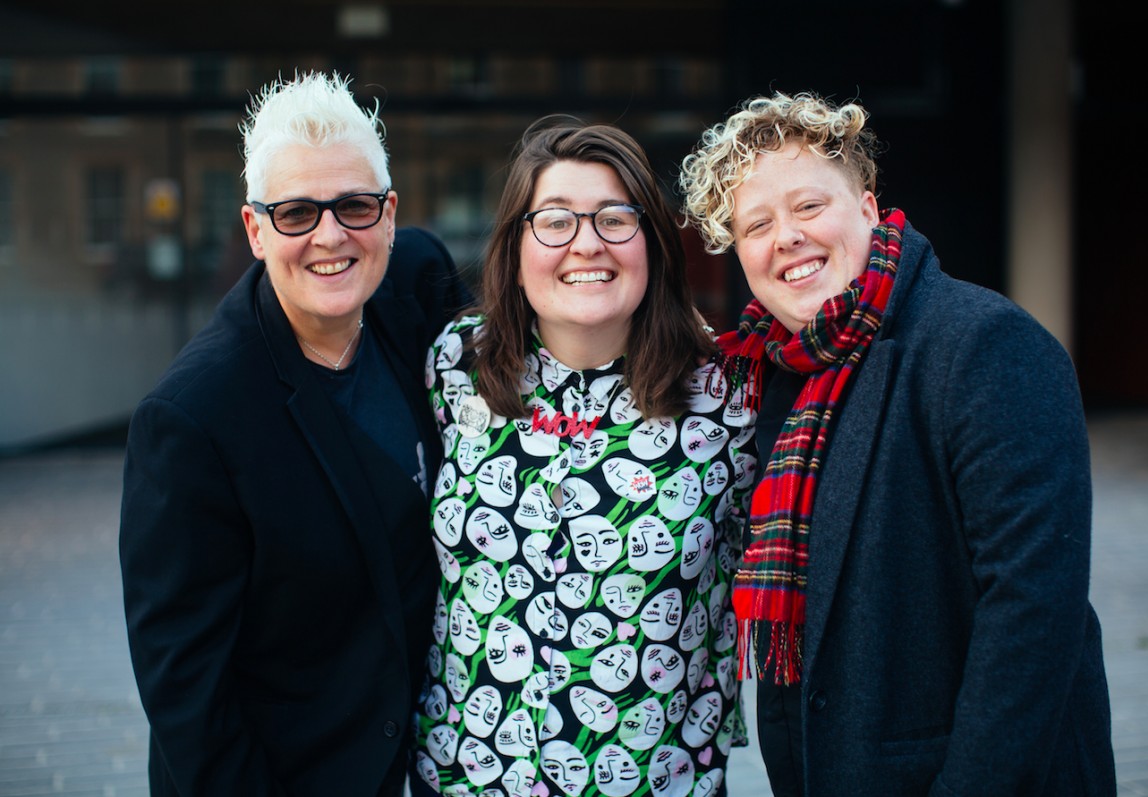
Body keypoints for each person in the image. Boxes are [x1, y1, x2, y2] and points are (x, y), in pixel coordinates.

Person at [677, 92, 1116, 796]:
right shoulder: (771, 377)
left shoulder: (981, 343)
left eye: (809, 206)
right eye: (756, 223)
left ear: (871, 209)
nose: (785, 235)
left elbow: (1032, 614)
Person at [119, 71, 469, 796]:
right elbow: (188, 689)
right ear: (254, 229)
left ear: (389, 213)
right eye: (297, 213)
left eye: (353, 205)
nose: (331, 234)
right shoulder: (191, 419)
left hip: (423, 754)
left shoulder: (416, 285)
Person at [413, 117, 756, 797]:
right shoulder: (455, 365)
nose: (587, 244)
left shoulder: (727, 395)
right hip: (464, 778)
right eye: (556, 220)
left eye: (614, 218)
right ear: (514, 247)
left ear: (653, 243)